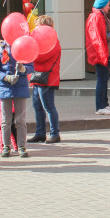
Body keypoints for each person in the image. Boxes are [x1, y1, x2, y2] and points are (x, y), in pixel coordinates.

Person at [0, 39, 33, 159]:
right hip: (5, 87)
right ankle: (6, 146)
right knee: (6, 119)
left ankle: (21, 146)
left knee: (21, 119)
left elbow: (31, 66)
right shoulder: (0, 49)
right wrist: (5, 77)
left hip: (20, 87)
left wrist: (23, 69)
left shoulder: (24, 47)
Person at [85, 0, 110, 115]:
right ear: (103, 5)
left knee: (104, 80)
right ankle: (100, 106)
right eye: (108, 5)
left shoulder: (99, 16)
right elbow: (102, 38)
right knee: (102, 80)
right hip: (100, 54)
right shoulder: (97, 17)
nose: (109, 7)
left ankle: (104, 105)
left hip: (102, 54)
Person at [28, 15, 62, 144]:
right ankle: (40, 133)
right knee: (38, 106)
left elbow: (41, 57)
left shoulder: (53, 42)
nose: (35, 30)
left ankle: (55, 133)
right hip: (39, 77)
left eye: (37, 26)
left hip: (48, 78)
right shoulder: (43, 42)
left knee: (48, 106)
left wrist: (31, 54)